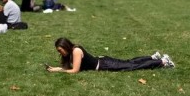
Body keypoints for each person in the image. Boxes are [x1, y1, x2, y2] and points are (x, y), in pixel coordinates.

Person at [46, 37, 175, 73]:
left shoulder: (76, 51)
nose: (59, 52)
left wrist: (59, 71)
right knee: (130, 62)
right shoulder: (70, 53)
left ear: (66, 46)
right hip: (103, 61)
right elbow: (68, 68)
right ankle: (153, 57)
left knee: (131, 66)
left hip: (105, 64)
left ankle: (162, 62)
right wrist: (54, 68)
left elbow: (74, 70)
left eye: (60, 50)